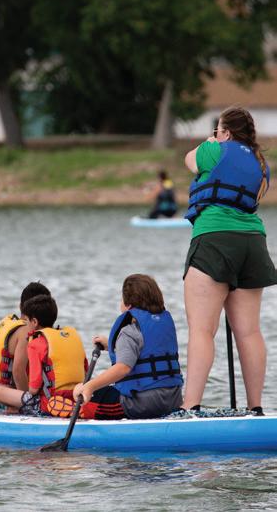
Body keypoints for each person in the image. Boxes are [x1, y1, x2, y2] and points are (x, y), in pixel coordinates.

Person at [182, 106, 277, 412]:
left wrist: (211, 141)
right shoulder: (261, 164)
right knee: (249, 331)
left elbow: (189, 160)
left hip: (214, 238)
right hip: (253, 243)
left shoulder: (214, 150)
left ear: (225, 132)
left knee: (201, 330)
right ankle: (255, 407)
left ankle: (190, 407)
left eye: (218, 130)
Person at [73, 274, 183, 420]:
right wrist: (111, 345)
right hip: (173, 399)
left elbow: (123, 368)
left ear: (128, 304)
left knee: (87, 398)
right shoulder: (163, 323)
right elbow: (147, 351)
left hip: (142, 403)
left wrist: (89, 386)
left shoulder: (129, 331)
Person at [0, 294, 87, 417]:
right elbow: (86, 372)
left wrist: (19, 398)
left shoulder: (35, 344)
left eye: (26, 321)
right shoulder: (72, 336)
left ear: (34, 322)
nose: (25, 325)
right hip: (76, 396)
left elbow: (34, 388)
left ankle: (18, 409)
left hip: (47, 404)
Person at [0, 281, 51, 391]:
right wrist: (27, 398)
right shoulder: (26, 332)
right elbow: (18, 371)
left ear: (20, 306)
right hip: (12, 393)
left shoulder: (7, 322)